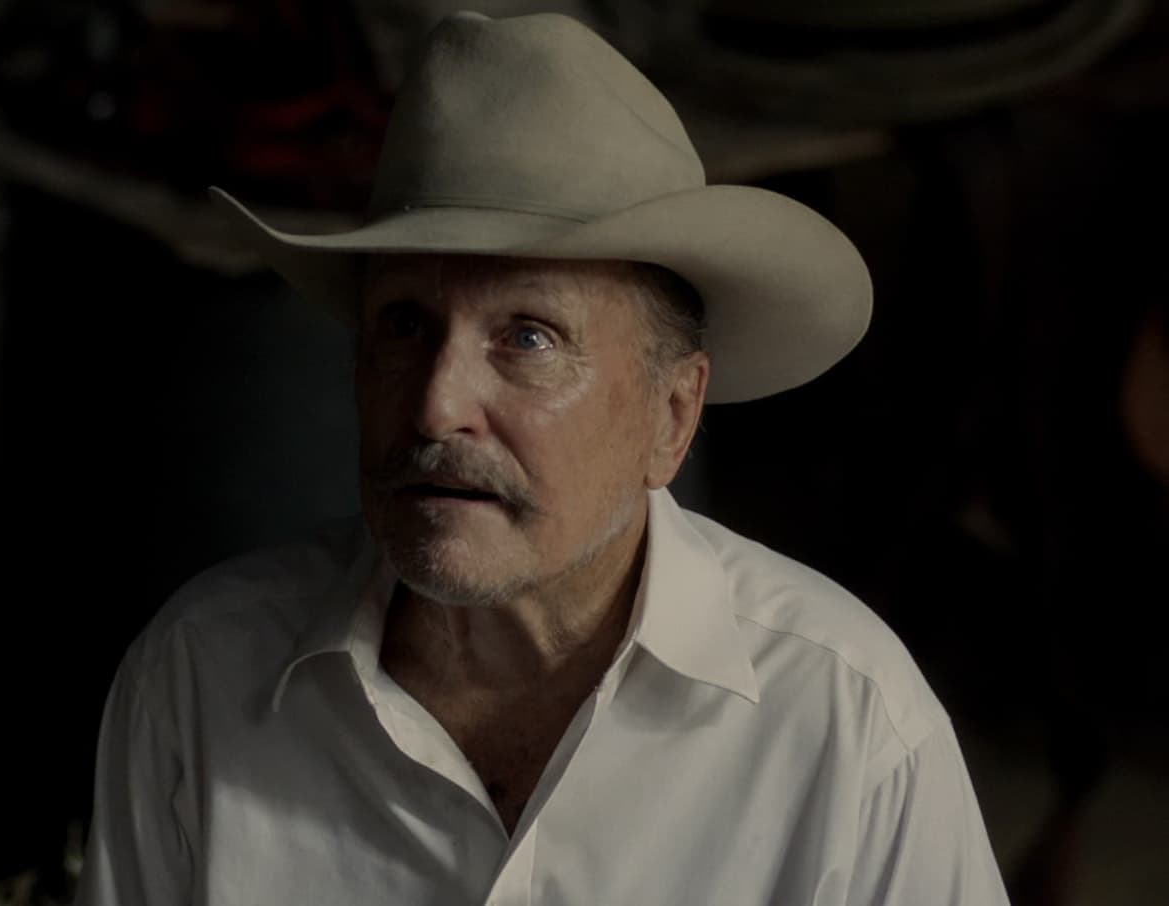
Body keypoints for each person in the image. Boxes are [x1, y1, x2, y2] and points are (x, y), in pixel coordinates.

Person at [80, 10, 1009, 905]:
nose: (437, 406)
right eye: (403, 325)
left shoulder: (846, 722)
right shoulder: (200, 678)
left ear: (672, 414)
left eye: (528, 337)